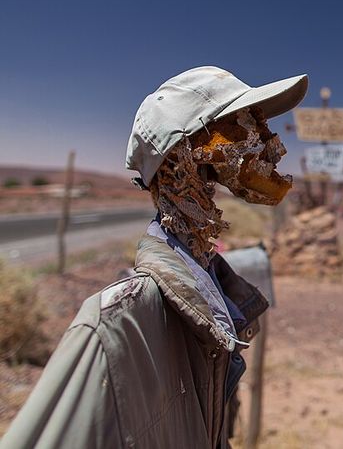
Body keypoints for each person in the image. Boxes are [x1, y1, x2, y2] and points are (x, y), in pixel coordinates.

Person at [0, 66, 308, 449]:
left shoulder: (212, 284)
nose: (269, 140)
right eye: (243, 124)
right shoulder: (112, 328)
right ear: (186, 154)